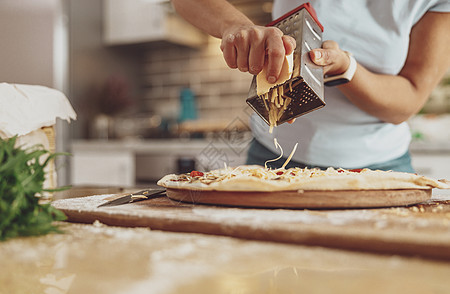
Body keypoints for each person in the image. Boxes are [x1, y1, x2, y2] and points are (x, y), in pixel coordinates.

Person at [171, 0, 450, 172]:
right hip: (273, 157)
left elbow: (409, 99)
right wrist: (235, 25)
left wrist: (346, 69)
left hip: (378, 165)